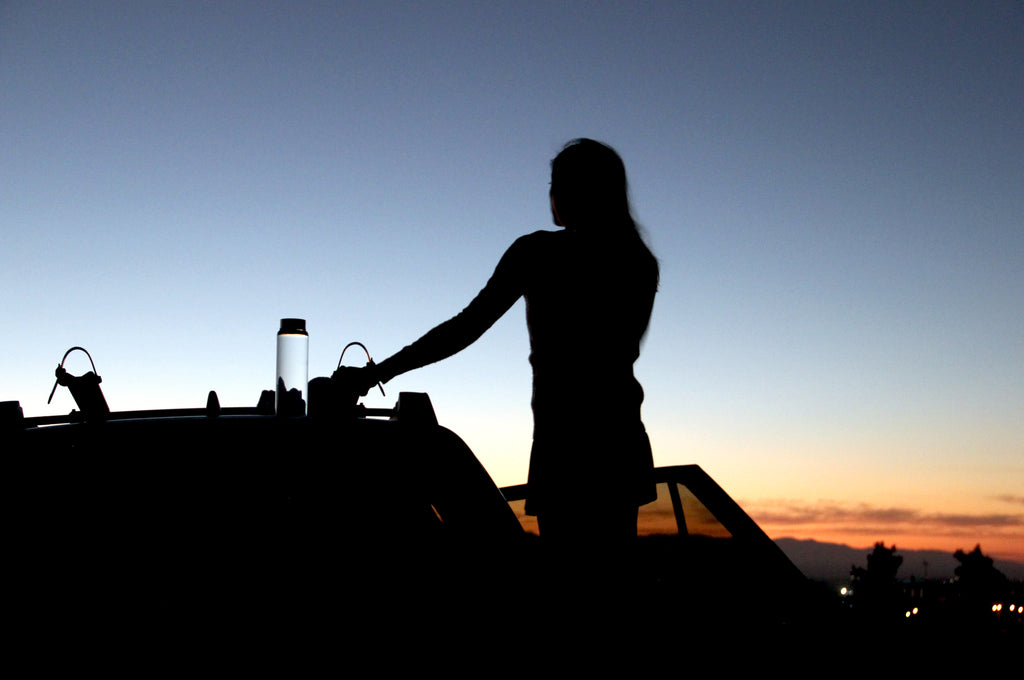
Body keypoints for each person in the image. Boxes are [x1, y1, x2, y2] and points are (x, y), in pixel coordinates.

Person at [342, 138, 658, 542]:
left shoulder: (539, 252)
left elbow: (463, 328)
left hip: (565, 450)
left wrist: (376, 373)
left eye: (556, 183)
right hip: (618, 447)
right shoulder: (638, 262)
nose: (551, 194)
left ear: (572, 190)